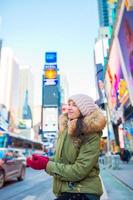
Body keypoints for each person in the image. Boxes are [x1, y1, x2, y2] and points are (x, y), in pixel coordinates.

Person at [27, 94, 106, 200]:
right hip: (67, 192)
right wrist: (45, 160)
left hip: (84, 191)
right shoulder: (65, 130)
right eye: (69, 104)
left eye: (74, 105)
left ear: (84, 110)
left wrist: (46, 165)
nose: (69, 107)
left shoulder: (91, 134)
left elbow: (79, 170)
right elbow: (63, 159)